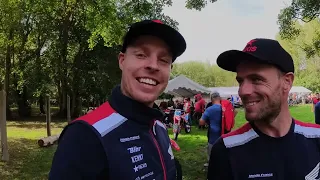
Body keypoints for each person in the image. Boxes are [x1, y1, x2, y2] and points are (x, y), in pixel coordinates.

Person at [49, 19, 186, 180]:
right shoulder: (83, 136)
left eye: (163, 60)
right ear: (122, 60)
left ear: (170, 69)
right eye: (141, 55)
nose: (153, 66)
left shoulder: (160, 127)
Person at [207, 38, 320, 180]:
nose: (243, 91)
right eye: (241, 81)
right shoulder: (226, 150)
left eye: (256, 79)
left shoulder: (316, 139)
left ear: (287, 82)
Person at [199, 92, 222, 167]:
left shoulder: (210, 109)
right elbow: (235, 112)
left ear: (212, 99)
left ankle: (211, 164)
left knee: (211, 150)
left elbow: (201, 122)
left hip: (213, 134)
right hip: (225, 132)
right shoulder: (225, 107)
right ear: (220, 98)